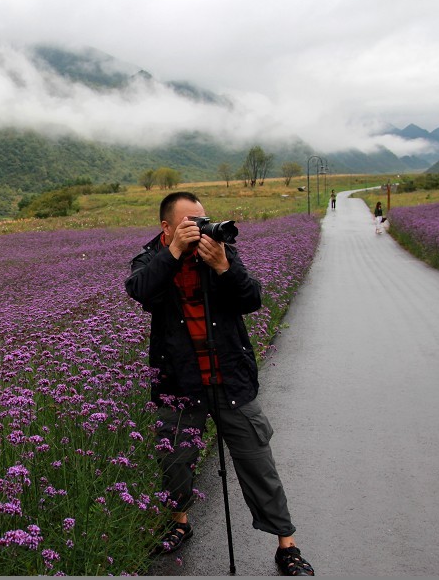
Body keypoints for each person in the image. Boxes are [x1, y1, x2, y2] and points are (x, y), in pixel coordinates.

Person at [125, 191, 314, 576]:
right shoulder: (150, 258)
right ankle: (179, 522)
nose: (200, 227)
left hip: (229, 380)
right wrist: (174, 253)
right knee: (175, 461)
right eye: (188, 223)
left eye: (203, 219)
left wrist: (225, 266)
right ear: (166, 227)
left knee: (258, 463)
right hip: (179, 384)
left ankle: (286, 544)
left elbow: (252, 299)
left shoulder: (220, 251)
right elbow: (140, 290)